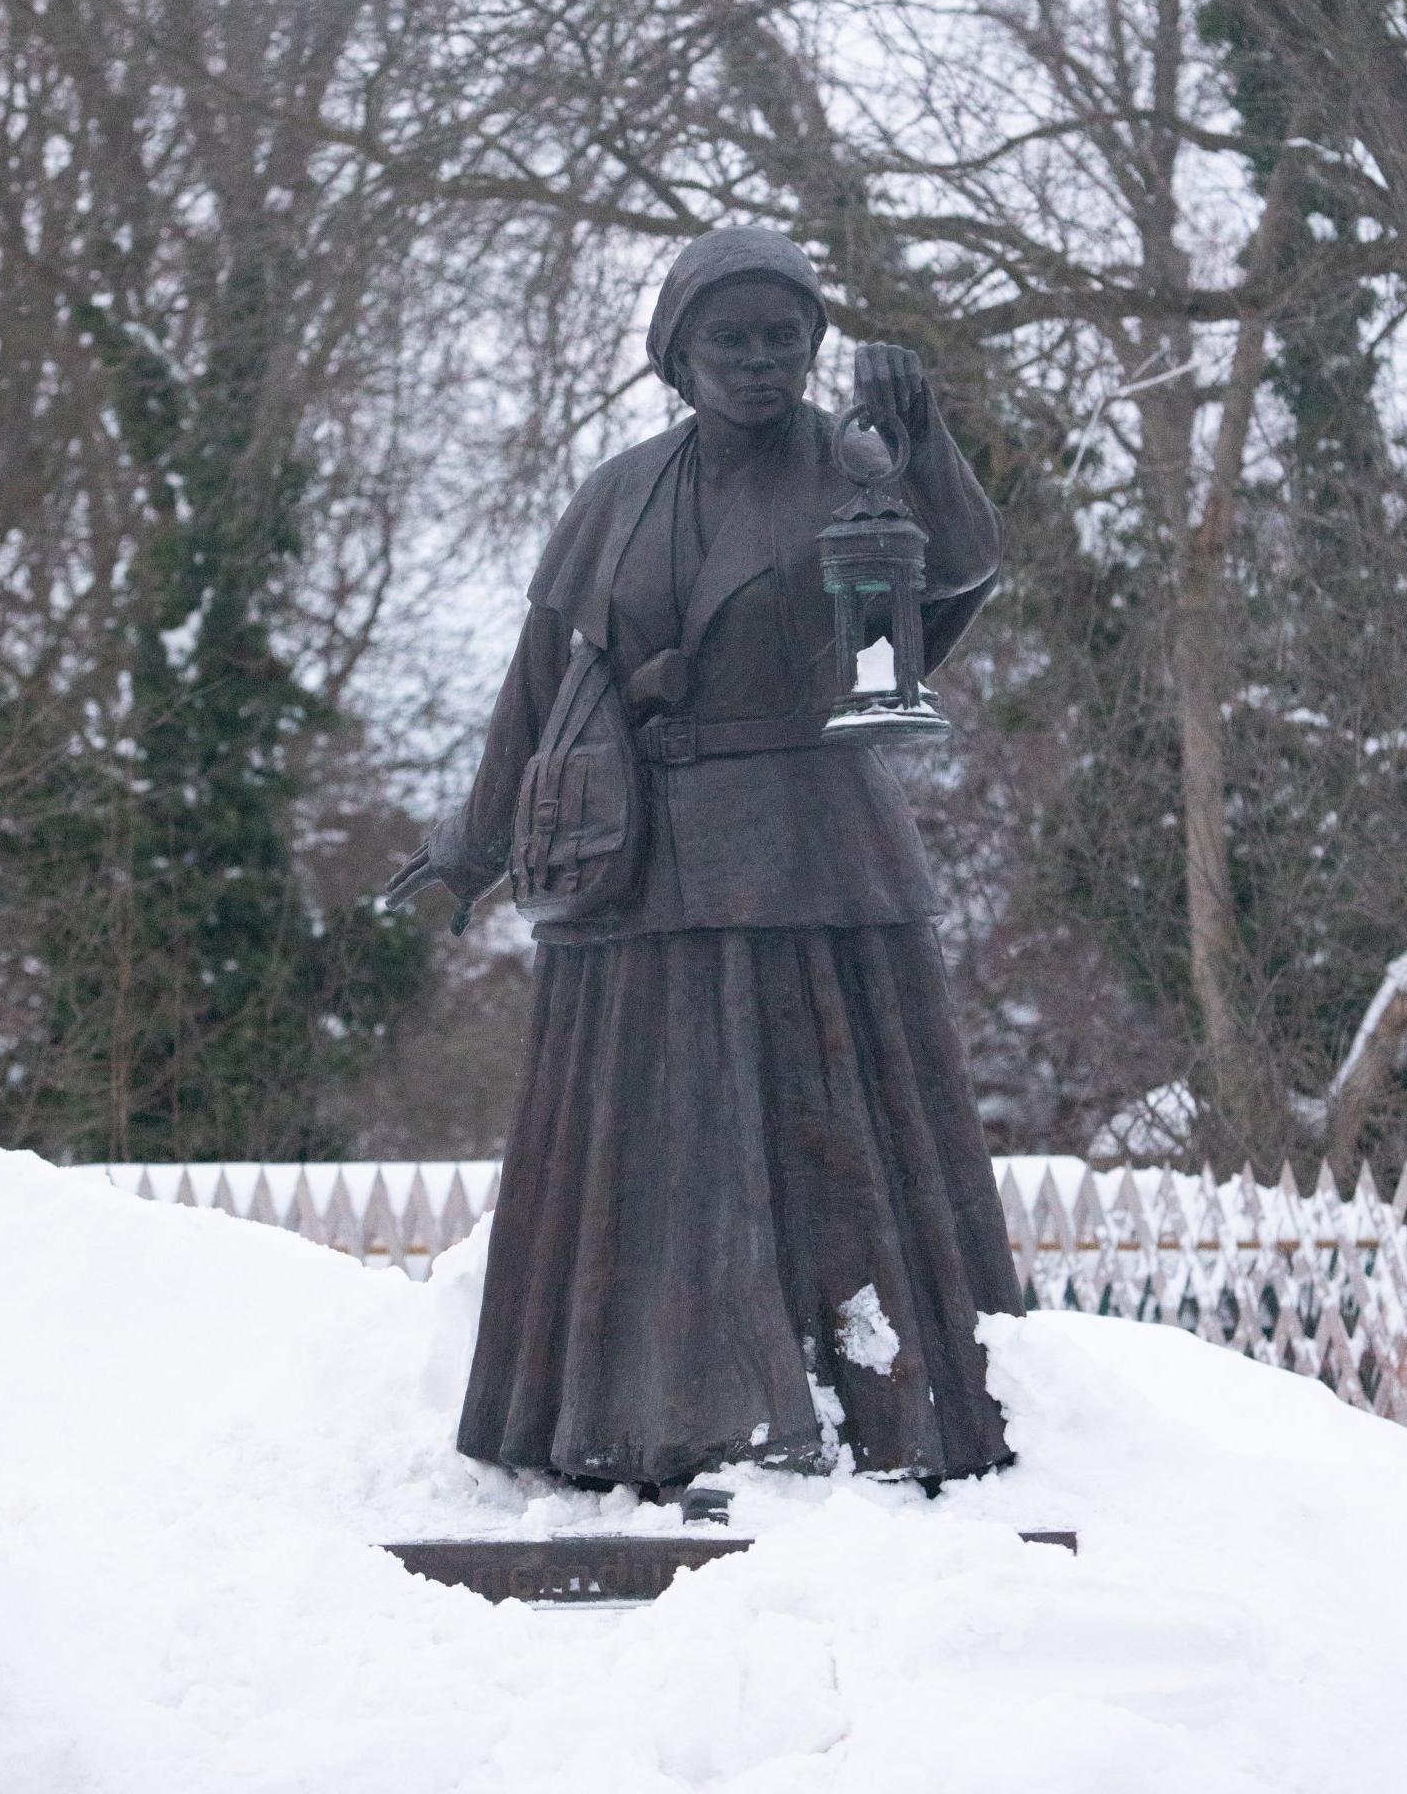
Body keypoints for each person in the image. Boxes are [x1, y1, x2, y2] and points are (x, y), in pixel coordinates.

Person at [389, 225, 1022, 1492]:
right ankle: (642, 1414)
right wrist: (476, 843)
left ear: (812, 348)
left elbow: (954, 576)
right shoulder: (617, 493)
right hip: (646, 870)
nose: (758, 360)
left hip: (811, 855)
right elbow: (544, 681)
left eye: (782, 336)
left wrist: (926, 439)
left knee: (823, 1145)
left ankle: (866, 1421)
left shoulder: (856, 470)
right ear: (676, 356)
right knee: (654, 1156)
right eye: (728, 338)